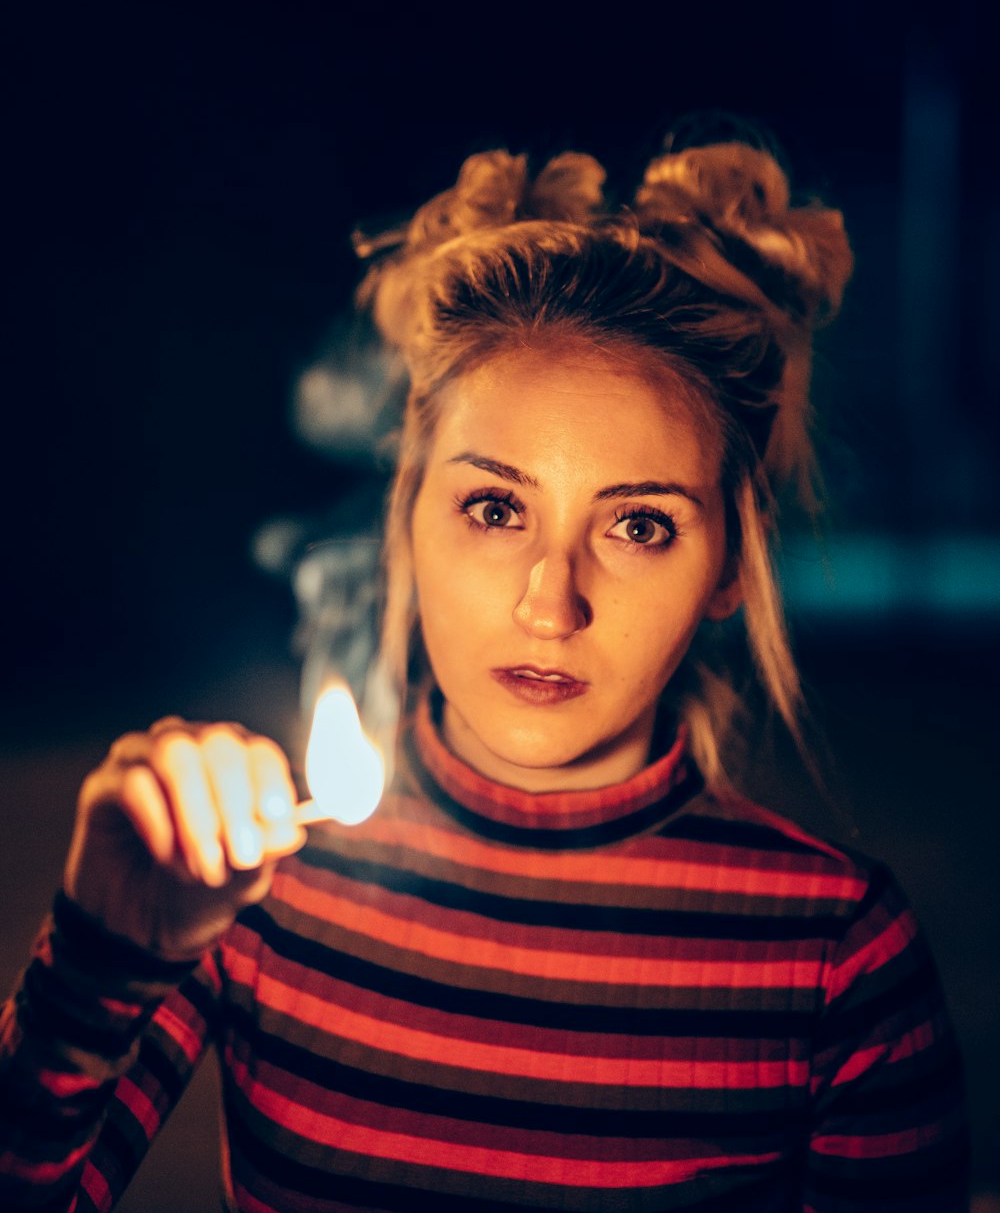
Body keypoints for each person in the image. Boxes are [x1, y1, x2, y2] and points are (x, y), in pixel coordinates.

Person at [0, 134, 969, 1211]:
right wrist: (96, 961)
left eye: (640, 523)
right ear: (408, 514)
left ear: (729, 567)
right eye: (495, 507)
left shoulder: (837, 955)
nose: (550, 603)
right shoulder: (250, 886)